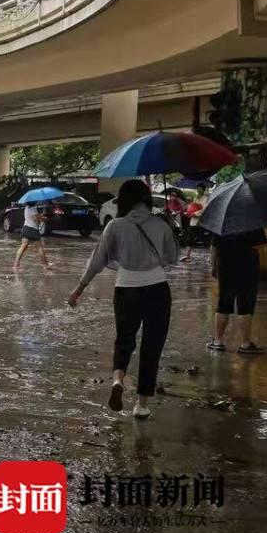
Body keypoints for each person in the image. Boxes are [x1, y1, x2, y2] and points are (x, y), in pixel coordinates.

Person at [67, 179, 179, 419]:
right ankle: (142, 404)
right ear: (147, 199)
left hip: (126, 288)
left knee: (124, 340)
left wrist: (79, 289)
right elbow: (173, 258)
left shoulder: (115, 226)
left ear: (124, 200)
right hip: (157, 290)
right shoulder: (161, 224)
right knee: (152, 346)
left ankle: (118, 380)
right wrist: (168, 227)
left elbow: (97, 260)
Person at [207, 227, 266, 353]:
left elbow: (214, 247)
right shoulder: (252, 224)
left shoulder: (222, 225)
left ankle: (218, 341)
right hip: (248, 268)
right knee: (245, 304)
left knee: (223, 302)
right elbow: (261, 245)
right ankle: (245, 344)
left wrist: (212, 266)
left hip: (225, 267)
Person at [13, 201, 51, 271]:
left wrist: (41, 215)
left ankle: (16, 264)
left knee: (23, 246)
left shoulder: (26, 208)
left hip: (25, 228)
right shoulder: (33, 209)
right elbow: (36, 219)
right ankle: (45, 265)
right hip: (32, 229)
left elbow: (35, 217)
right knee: (40, 248)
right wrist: (43, 218)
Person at [181, 184, 208, 262]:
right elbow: (192, 207)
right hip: (193, 221)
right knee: (190, 238)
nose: (198, 191)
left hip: (201, 222)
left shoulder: (205, 199)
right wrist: (189, 211)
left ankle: (211, 257)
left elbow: (204, 209)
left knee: (205, 240)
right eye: (197, 189)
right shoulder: (196, 198)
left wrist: (195, 214)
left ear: (203, 190)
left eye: (200, 189)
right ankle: (187, 255)